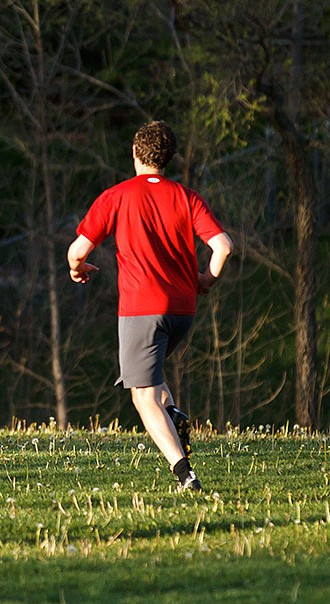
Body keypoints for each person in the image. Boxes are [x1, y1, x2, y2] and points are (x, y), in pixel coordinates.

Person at [67, 120, 233, 492]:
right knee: (149, 378)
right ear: (169, 158)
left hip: (142, 309)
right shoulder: (187, 197)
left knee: (142, 397)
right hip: (182, 310)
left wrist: (78, 269)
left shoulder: (117, 195)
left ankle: (184, 474)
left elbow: (76, 252)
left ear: (135, 154)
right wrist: (205, 279)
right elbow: (223, 246)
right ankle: (173, 413)